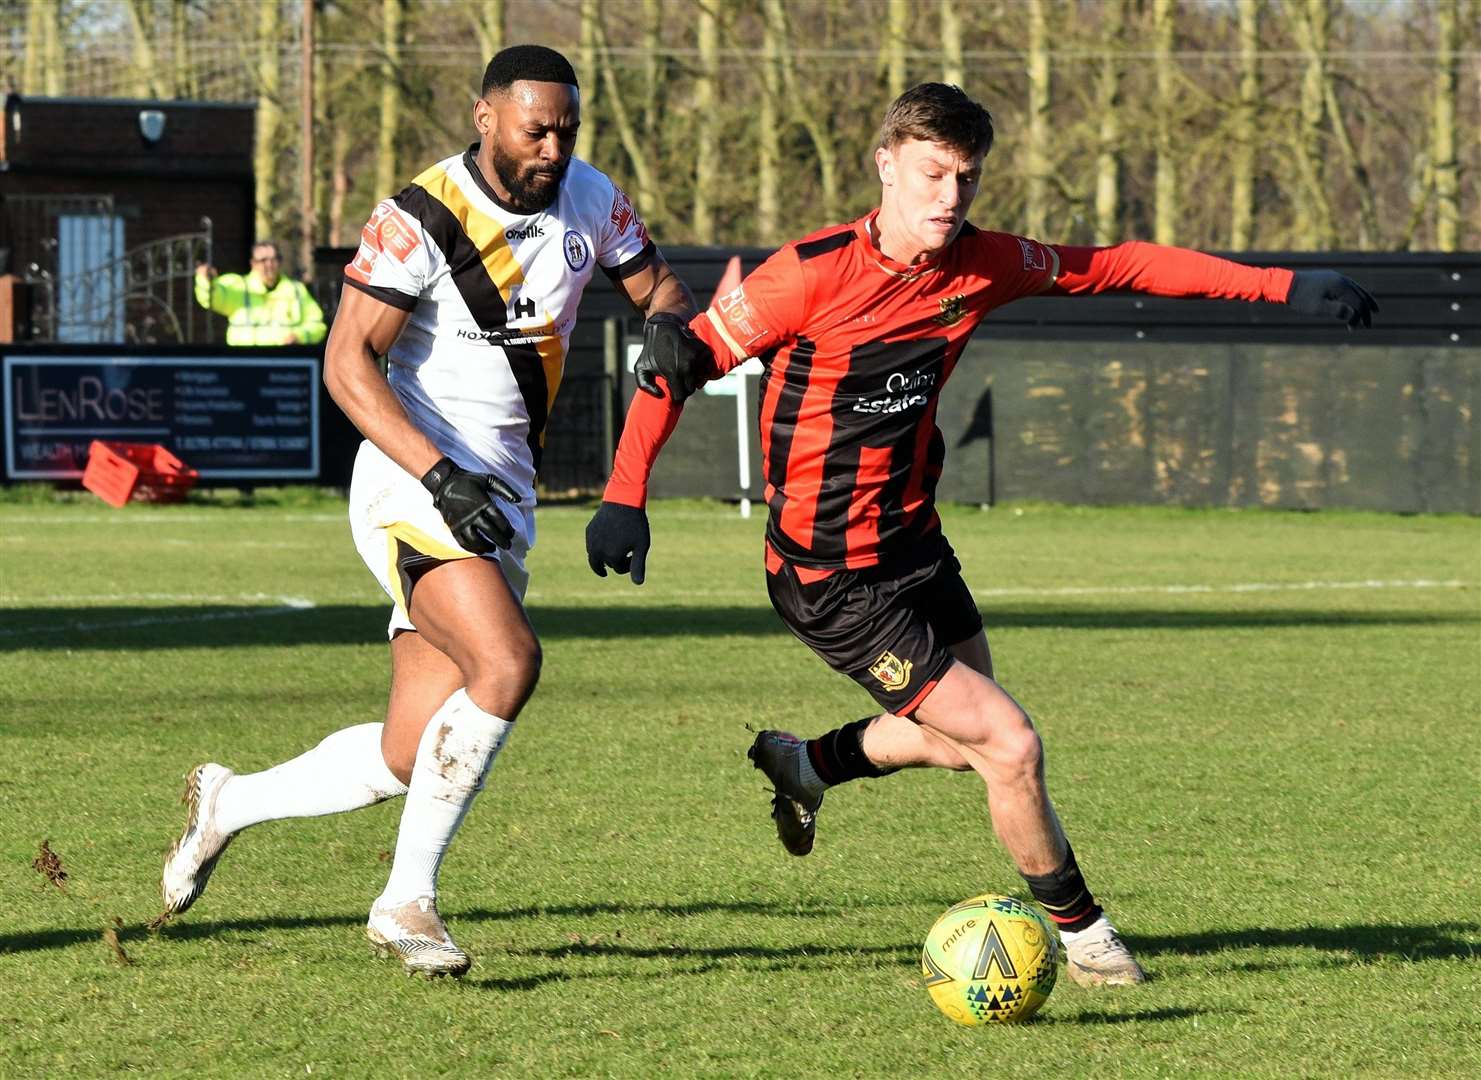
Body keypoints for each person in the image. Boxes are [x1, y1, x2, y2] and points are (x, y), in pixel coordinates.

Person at [585, 83, 1377, 989]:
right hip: (829, 578)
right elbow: (675, 366)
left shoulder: (983, 262)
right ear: (885, 165)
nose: (949, 198)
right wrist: (623, 497)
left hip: (915, 546)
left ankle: (805, 765)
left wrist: (1283, 284)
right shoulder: (806, 274)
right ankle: (1086, 941)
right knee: (1010, 744)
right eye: (932, 173)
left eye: (965, 177)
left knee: (971, 746)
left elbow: (1118, 265)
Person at [158, 44, 697, 977]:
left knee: (411, 753)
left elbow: (662, 289)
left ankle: (228, 804)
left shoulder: (592, 197)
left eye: (567, 129)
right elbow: (345, 364)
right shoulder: (417, 217)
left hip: (504, 493)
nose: (553, 147)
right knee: (509, 660)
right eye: (536, 128)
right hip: (413, 480)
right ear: (485, 117)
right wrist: (440, 473)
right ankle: (405, 902)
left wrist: (662, 326)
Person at [194, 241, 327, 346]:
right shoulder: (239, 286)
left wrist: (299, 336)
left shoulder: (296, 290)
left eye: (274, 259)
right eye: (263, 260)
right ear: (253, 263)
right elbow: (210, 298)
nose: (269, 265)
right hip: (245, 362)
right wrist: (205, 279)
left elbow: (317, 325)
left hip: (284, 363)